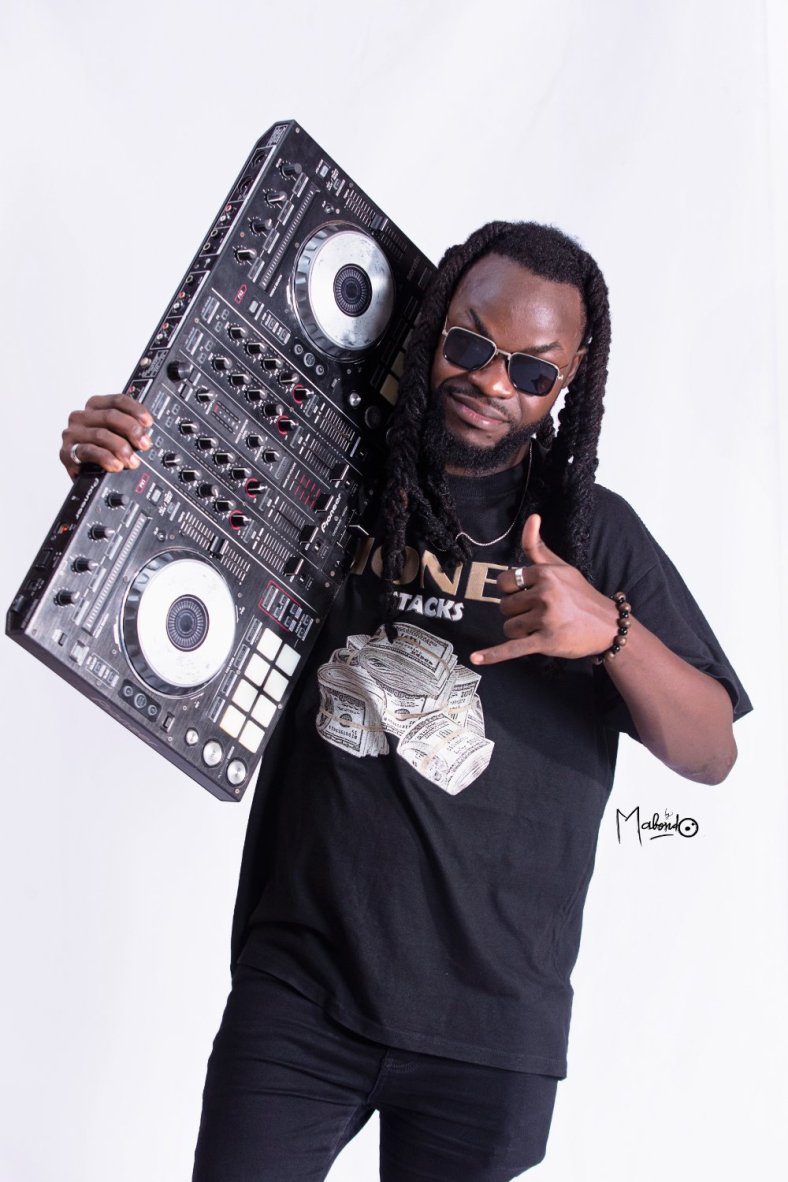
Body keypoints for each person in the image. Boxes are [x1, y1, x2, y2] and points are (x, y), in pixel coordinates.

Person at [60, 221, 751, 1182]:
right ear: (431, 326)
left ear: (570, 380)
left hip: (491, 1027)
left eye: (531, 370)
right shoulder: (326, 482)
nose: (491, 382)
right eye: (469, 344)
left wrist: (612, 634)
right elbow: (169, 545)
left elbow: (712, 750)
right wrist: (109, 475)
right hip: (301, 992)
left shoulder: (592, 534)